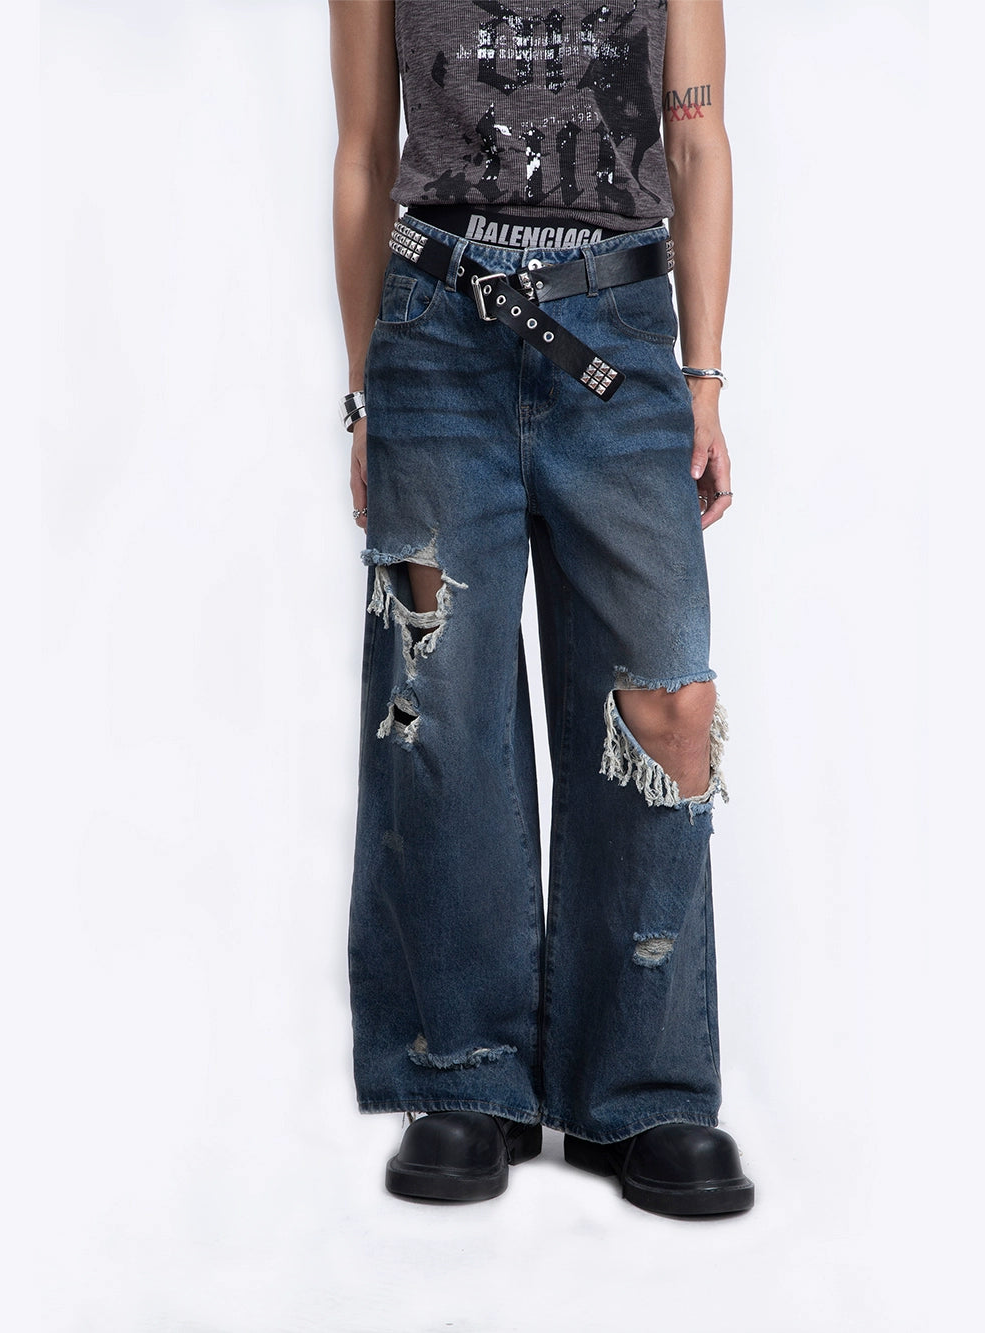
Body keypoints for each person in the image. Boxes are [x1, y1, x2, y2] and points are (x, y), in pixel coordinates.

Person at [328, 0, 754, 1217]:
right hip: (435, 328)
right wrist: (364, 393)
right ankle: (465, 1071)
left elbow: (697, 138)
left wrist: (704, 380)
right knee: (442, 709)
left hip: (621, 329)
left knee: (663, 697)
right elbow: (363, 150)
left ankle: (643, 1085)